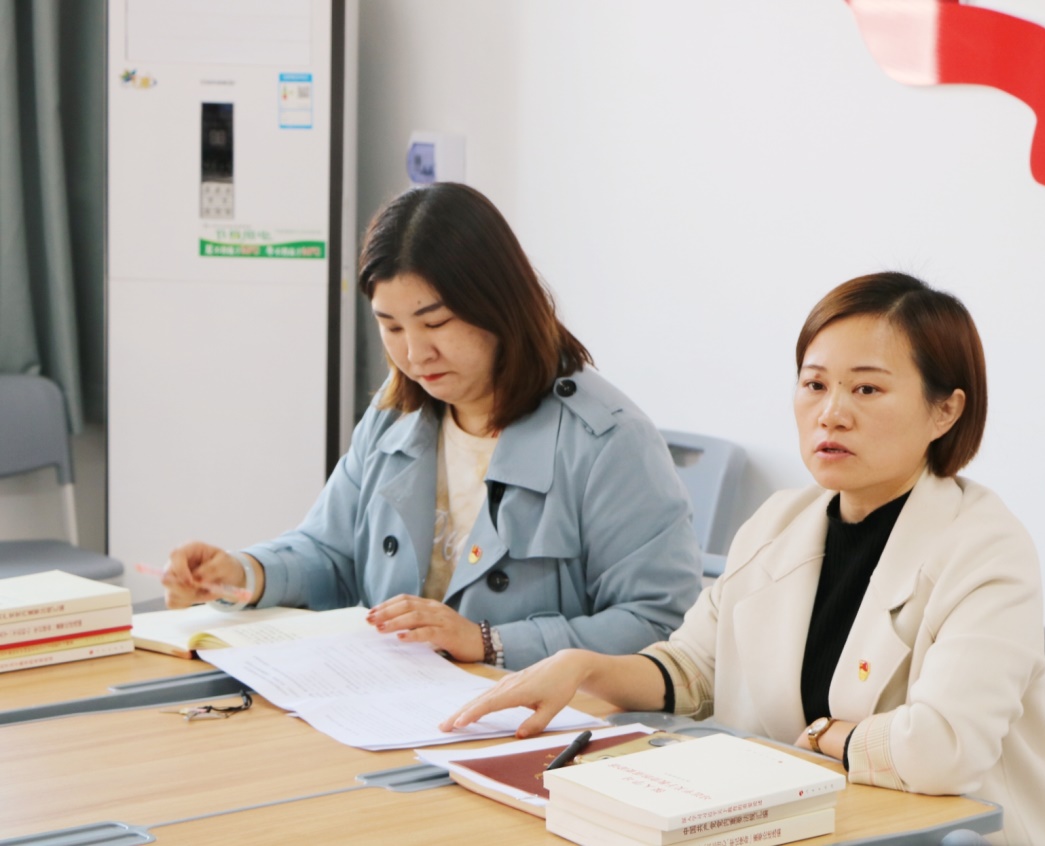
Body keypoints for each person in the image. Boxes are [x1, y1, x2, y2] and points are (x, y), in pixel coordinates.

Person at [442, 272, 1045, 845]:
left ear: (945, 410)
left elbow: (945, 749)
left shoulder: (985, 548)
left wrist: (823, 737)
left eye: (867, 389)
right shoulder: (779, 522)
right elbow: (694, 670)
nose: (831, 413)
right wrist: (585, 668)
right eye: (815, 384)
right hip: (805, 826)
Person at [162, 182, 702, 670]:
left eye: (436, 323)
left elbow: (660, 627)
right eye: (391, 327)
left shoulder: (608, 442)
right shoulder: (394, 415)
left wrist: (489, 642)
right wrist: (244, 572)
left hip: (540, 725)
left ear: (500, 307)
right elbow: (331, 552)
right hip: (393, 705)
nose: (415, 355)